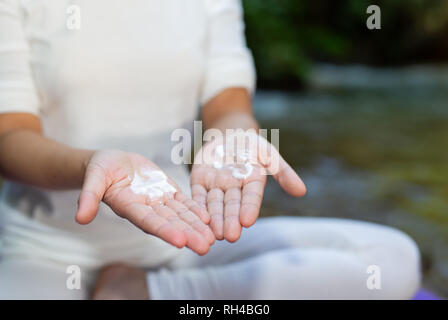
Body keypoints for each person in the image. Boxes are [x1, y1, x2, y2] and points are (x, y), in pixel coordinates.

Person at [0, 0, 420, 299]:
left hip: (185, 236)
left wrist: (232, 139)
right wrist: (91, 165)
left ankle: (150, 293)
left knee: (392, 260)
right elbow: (10, 137)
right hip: (47, 255)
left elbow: (229, 107)